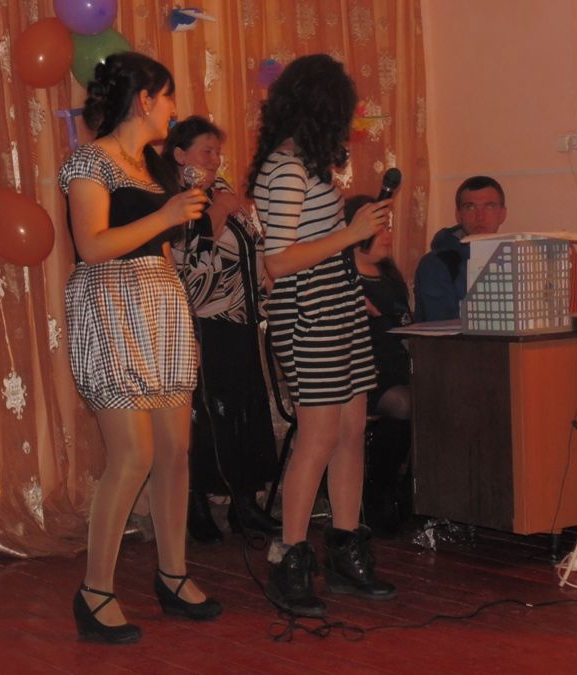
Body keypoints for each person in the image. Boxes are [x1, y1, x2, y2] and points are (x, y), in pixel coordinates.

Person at [58, 52, 222, 645]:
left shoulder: (155, 166)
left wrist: (184, 220)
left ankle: (173, 575)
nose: (174, 108)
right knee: (133, 454)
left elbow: (162, 247)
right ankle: (95, 592)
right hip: (109, 303)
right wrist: (167, 215)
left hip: (160, 304)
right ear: (145, 99)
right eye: (168, 95)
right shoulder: (88, 161)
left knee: (175, 451)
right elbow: (93, 246)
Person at [246, 54, 397, 617]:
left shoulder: (305, 165)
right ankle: (289, 557)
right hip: (308, 311)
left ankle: (345, 549)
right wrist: (352, 233)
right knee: (319, 435)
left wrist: (350, 256)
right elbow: (279, 262)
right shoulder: (286, 168)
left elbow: (312, 245)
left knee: (352, 430)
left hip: (335, 305)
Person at [162, 116, 280, 543]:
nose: (215, 160)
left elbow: (253, 244)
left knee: (247, 410)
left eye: (217, 152)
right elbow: (188, 256)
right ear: (180, 155)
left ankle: (244, 504)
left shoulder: (221, 190)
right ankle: (196, 505)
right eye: (206, 152)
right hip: (203, 322)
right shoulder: (173, 199)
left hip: (242, 318)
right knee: (208, 417)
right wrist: (220, 210)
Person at [346, 194, 413, 537]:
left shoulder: (390, 277)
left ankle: (412, 493)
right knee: (404, 403)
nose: (388, 235)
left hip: (397, 369)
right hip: (361, 377)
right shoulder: (344, 281)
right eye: (380, 228)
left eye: (388, 227)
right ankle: (378, 490)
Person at [413, 176, 507, 322]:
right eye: (470, 207)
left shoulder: (513, 257)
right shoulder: (436, 264)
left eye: (489, 207)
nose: (480, 217)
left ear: (503, 214)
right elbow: (443, 322)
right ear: (458, 215)